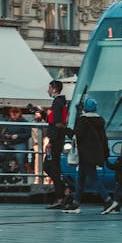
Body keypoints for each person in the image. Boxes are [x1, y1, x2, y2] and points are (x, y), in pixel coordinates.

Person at [67, 98, 110, 214]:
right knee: (80, 179)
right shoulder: (100, 121)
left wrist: (66, 130)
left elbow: (77, 136)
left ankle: (108, 200)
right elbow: (104, 138)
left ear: (85, 108)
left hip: (85, 154)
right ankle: (76, 201)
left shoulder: (82, 121)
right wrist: (106, 153)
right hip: (96, 153)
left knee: (93, 179)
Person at [42, 80, 71, 208]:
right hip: (58, 140)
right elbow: (55, 121)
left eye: (49, 88)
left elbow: (57, 123)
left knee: (50, 166)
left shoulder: (57, 102)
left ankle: (61, 194)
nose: (48, 90)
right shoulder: (61, 102)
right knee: (52, 166)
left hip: (56, 141)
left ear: (54, 89)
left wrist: (51, 141)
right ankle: (63, 191)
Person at [0, 106, 31, 181]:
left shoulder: (24, 122)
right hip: (10, 142)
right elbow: (4, 132)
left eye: (15, 114)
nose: (13, 116)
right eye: (12, 114)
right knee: (3, 159)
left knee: (20, 161)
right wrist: (6, 136)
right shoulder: (8, 121)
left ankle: (24, 180)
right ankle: (2, 179)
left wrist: (18, 136)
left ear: (19, 114)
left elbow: (28, 134)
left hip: (20, 143)